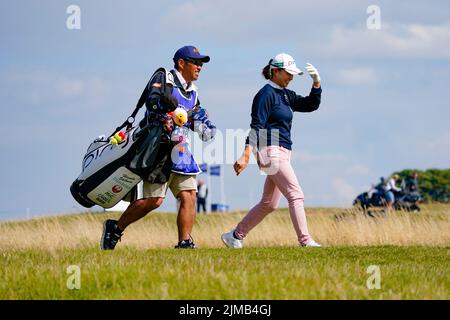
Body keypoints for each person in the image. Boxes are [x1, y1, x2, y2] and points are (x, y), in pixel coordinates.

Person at [100, 45, 216, 250]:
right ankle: (115, 227)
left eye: (201, 63)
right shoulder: (166, 79)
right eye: (196, 62)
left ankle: (184, 242)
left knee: (189, 194)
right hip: (158, 150)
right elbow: (152, 102)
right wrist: (172, 110)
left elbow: (192, 118)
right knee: (154, 200)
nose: (200, 67)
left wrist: (201, 123)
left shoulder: (194, 92)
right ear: (182, 63)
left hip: (181, 151)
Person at [221, 53, 322, 248]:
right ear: (275, 71)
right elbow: (256, 125)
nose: (291, 78)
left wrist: (316, 83)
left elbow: (311, 105)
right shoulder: (265, 94)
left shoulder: (287, 94)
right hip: (269, 150)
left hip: (284, 151)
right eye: (288, 73)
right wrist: (246, 153)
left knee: (269, 203)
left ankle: (235, 235)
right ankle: (305, 241)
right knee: (296, 194)